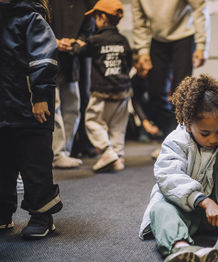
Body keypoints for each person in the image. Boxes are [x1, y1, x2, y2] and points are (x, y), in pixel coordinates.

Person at [138, 74, 218, 262]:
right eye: (205, 133)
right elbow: (168, 176)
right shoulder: (176, 141)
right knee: (158, 209)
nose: (214, 138)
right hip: (186, 213)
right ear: (189, 125)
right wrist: (204, 202)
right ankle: (182, 249)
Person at [0, 0, 63, 239]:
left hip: (31, 107)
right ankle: (3, 214)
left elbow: (44, 57)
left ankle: (42, 216)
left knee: (34, 164)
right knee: (2, 165)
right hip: (4, 108)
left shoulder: (30, 17)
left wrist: (41, 95)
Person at [132, 0, 210, 139]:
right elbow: (139, 19)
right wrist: (142, 50)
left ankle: (180, 140)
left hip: (184, 37)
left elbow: (200, 9)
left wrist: (201, 45)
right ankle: (168, 138)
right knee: (155, 93)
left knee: (181, 93)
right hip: (157, 39)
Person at [74, 0, 133, 172]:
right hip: (123, 90)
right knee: (118, 126)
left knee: (93, 121)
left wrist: (74, 44)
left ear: (102, 18)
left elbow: (80, 52)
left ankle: (107, 151)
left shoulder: (95, 41)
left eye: (96, 18)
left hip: (101, 91)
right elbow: (128, 64)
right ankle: (118, 157)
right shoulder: (123, 40)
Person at [48, 0, 96, 168]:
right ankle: (56, 153)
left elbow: (89, 26)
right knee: (54, 107)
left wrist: (77, 42)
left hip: (72, 58)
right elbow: (36, 23)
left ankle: (65, 151)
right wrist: (54, 41)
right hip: (48, 56)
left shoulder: (86, 3)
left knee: (72, 107)